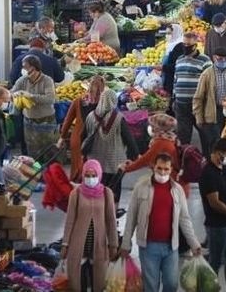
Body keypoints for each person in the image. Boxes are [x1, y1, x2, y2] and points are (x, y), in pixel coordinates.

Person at [120, 153, 202, 292]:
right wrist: (126, 243)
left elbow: (185, 219)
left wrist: (194, 243)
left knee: (171, 283)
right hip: (148, 247)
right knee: (151, 285)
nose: (162, 172)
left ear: (171, 170)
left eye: (166, 169)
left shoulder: (177, 190)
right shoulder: (141, 187)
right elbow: (131, 218)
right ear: (153, 167)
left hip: (171, 247)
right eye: (159, 168)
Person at [61, 159, 118, 291]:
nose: (90, 178)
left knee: (97, 281)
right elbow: (70, 220)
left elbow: (111, 221)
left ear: (99, 175)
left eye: (93, 175)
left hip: (98, 246)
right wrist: (65, 244)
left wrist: (113, 245)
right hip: (79, 246)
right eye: (87, 175)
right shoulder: (76, 193)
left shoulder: (106, 193)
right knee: (78, 281)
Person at [199, 139, 226, 292]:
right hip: (217, 226)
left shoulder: (224, 169)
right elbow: (214, 202)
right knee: (215, 262)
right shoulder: (208, 173)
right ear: (218, 153)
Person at [84, 89, 139, 202]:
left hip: (95, 163)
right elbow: (129, 140)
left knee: (96, 191)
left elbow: (84, 136)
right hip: (115, 163)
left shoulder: (90, 116)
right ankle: (112, 214)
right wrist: (134, 156)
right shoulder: (119, 118)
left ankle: (95, 212)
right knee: (113, 192)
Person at [193, 47, 226, 156]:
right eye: (219, 59)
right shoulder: (207, 74)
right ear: (214, 58)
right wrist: (198, 117)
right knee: (215, 142)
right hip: (213, 112)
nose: (222, 61)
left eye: (224, 59)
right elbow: (198, 97)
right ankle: (214, 164)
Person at [60, 76, 106, 182]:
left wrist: (62, 137)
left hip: (77, 139)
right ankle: (91, 191)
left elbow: (68, 120)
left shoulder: (78, 101)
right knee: (93, 169)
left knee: (76, 167)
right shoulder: (104, 105)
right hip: (96, 140)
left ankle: (75, 190)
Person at [11, 55, 57, 156]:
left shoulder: (47, 80)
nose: (23, 69)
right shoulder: (22, 80)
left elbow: (50, 99)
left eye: (25, 67)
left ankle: (50, 170)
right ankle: (36, 170)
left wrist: (31, 96)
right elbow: (12, 92)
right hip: (29, 122)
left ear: (34, 68)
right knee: (32, 152)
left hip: (46, 121)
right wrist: (15, 95)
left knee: (49, 149)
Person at [173, 32, 212, 146]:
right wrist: (174, 98)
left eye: (188, 45)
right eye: (183, 44)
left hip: (198, 105)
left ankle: (208, 159)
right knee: (183, 136)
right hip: (181, 105)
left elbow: (209, 83)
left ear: (195, 45)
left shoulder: (205, 61)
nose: (185, 47)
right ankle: (184, 159)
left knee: (205, 134)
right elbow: (176, 80)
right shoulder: (179, 59)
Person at [121, 114, 180, 180]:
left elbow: (146, 160)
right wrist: (134, 163)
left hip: (171, 179)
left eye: (152, 126)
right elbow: (150, 158)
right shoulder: (170, 138)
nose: (151, 128)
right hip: (171, 177)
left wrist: (127, 168)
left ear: (158, 128)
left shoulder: (161, 142)